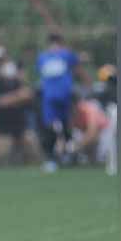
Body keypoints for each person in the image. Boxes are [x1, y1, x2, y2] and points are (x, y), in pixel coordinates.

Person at [35, 33, 86, 173]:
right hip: (50, 98)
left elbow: (77, 65)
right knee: (50, 128)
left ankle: (71, 155)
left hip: (65, 97)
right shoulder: (43, 58)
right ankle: (51, 159)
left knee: (67, 127)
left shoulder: (67, 55)